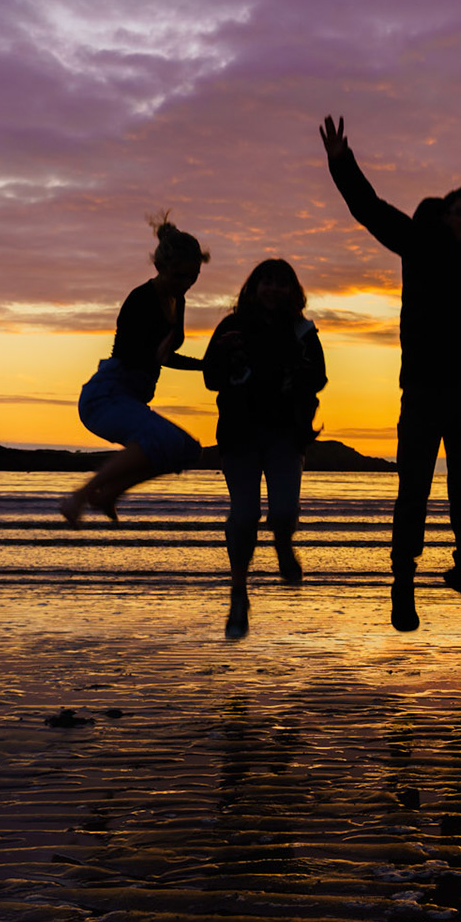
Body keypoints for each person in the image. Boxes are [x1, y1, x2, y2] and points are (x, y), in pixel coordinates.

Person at [318, 115, 461, 633]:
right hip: (421, 391)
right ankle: (403, 582)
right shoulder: (420, 242)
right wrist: (341, 161)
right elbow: (369, 209)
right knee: (413, 489)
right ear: (445, 215)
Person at [203, 258, 326, 640]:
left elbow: (319, 376)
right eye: (266, 282)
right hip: (239, 434)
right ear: (254, 287)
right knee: (244, 517)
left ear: (293, 290)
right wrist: (231, 362)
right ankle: (238, 593)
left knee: (285, 510)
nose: (273, 289)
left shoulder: (302, 330)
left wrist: (293, 381)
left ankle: (283, 543)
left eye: (281, 283)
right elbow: (210, 376)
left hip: (286, 434)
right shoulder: (232, 326)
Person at [61, 215, 209, 527]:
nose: (186, 284)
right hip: (107, 395)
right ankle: (80, 495)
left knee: (186, 450)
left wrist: (206, 366)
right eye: (180, 276)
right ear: (161, 267)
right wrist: (154, 354)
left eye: (193, 277)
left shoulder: (177, 300)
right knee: (159, 440)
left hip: (131, 398)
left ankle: (109, 494)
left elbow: (165, 355)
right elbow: (132, 353)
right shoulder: (141, 298)